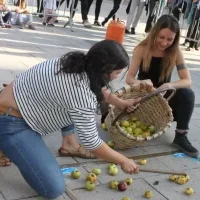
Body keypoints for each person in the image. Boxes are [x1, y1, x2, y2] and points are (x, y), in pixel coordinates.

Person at [0, 40, 139, 198]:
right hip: (11, 122)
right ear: (104, 70)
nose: (115, 77)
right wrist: (122, 160)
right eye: (116, 73)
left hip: (13, 98)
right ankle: (7, 143)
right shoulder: (81, 96)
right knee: (53, 187)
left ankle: (67, 143)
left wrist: (121, 103)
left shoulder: (73, 63)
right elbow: (92, 142)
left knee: (73, 107)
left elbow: (99, 88)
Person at [126, 15, 199, 158]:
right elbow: (129, 78)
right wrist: (140, 82)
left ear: (175, 39)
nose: (165, 43)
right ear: (155, 32)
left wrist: (170, 85)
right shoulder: (141, 49)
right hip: (144, 97)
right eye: (161, 37)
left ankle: (180, 136)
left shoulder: (175, 52)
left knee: (187, 94)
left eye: (170, 39)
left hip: (164, 98)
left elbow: (187, 80)